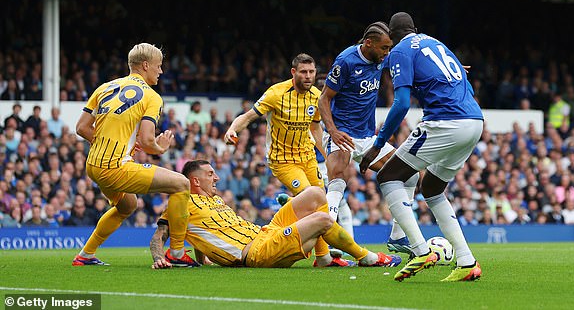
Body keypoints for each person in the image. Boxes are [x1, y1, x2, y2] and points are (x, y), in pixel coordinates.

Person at [224, 53, 397, 267]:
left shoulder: (316, 96)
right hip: (284, 162)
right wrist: (232, 129)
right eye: (304, 72)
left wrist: (328, 156)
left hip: (307, 159)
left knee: (322, 202)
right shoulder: (276, 93)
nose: (308, 76)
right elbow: (249, 116)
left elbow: (315, 128)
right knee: (311, 197)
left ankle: (323, 257)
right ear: (293, 72)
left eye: (312, 72)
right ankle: (337, 256)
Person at [360, 12, 484, 282]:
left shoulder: (401, 50)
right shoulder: (436, 43)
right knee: (431, 188)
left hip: (445, 122)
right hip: (475, 121)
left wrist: (377, 145)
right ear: (415, 28)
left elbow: (402, 103)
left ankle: (419, 249)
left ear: (391, 37)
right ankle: (466, 262)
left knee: (388, 176)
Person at [72, 43, 197, 267]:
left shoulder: (105, 87)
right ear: (146, 65)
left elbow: (81, 127)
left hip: (93, 165)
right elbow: (148, 142)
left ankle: (86, 254)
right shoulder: (152, 97)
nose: (161, 71)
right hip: (115, 167)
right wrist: (161, 147)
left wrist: (110, 144)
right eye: (158, 66)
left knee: (127, 206)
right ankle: (177, 253)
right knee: (182, 184)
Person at [150, 160, 401, 269]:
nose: (216, 177)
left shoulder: (215, 200)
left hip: (266, 232)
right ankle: (367, 257)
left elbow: (201, 232)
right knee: (323, 220)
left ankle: (324, 257)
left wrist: (202, 258)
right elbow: (159, 237)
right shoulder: (179, 203)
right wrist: (159, 258)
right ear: (194, 180)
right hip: (256, 252)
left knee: (315, 193)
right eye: (210, 174)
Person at [318, 21, 415, 252]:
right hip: (342, 134)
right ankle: (326, 231)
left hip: (368, 138)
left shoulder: (381, 58)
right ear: (368, 43)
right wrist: (332, 131)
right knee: (339, 177)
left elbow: (410, 64)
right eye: (384, 48)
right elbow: (324, 98)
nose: (387, 53)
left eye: (389, 48)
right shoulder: (346, 61)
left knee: (408, 174)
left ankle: (398, 237)